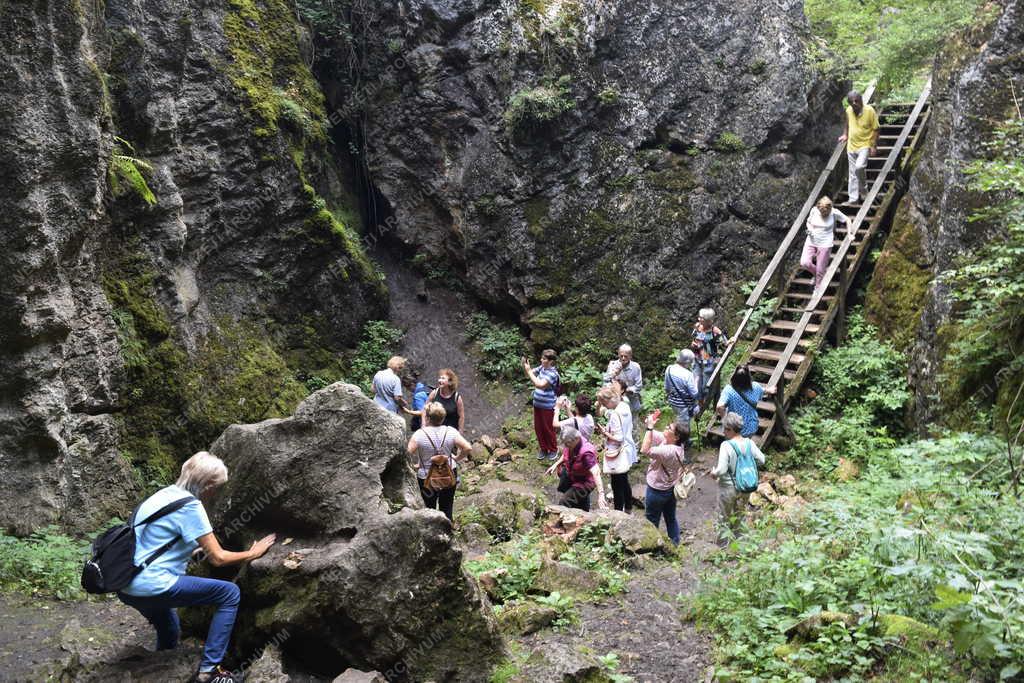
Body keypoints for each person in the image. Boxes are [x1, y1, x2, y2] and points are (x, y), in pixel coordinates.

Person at [117, 452, 277, 683]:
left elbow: (151, 540)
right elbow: (218, 558)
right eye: (218, 487)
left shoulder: (162, 496)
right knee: (229, 593)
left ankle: (161, 667)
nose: (217, 493)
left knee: (169, 627)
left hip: (126, 586)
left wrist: (188, 550)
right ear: (208, 485)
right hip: (152, 586)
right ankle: (209, 673)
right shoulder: (191, 506)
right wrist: (252, 553)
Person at [407, 402, 471, 521]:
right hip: (449, 473)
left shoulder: (419, 435)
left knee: (428, 510)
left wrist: (413, 466)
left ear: (427, 417)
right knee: (447, 508)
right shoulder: (450, 431)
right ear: (443, 417)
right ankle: (448, 532)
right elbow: (467, 448)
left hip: (426, 477)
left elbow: (406, 453)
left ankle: (431, 535)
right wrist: (456, 458)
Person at [709, 412, 766, 544]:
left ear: (730, 429)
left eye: (725, 429)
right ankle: (740, 547)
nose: (723, 432)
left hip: (728, 488)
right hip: (745, 486)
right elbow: (762, 460)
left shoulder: (726, 445)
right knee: (740, 516)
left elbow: (722, 470)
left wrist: (714, 473)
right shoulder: (749, 442)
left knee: (723, 518)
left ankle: (722, 548)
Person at [639, 410, 688, 545]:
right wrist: (650, 425)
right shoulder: (676, 445)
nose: (666, 427)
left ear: (676, 436)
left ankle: (651, 546)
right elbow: (655, 435)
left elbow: (644, 450)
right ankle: (675, 544)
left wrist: (649, 428)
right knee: (670, 518)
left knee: (651, 520)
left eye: (669, 428)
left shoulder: (668, 451)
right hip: (670, 488)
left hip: (656, 491)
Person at [545, 424, 605, 511]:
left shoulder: (586, 453)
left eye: (567, 443)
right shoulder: (571, 444)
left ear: (576, 439)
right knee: (580, 501)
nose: (566, 445)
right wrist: (555, 464)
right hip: (573, 475)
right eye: (565, 443)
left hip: (585, 482)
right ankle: (584, 513)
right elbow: (566, 453)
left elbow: (596, 472)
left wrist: (601, 494)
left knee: (564, 502)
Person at [595, 386, 635, 513]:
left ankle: (618, 511)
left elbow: (618, 437)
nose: (605, 406)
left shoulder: (614, 415)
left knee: (616, 484)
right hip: (627, 447)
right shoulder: (624, 406)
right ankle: (628, 507)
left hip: (617, 451)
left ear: (610, 400)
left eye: (605, 403)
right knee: (624, 480)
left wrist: (604, 433)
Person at [838, 90, 879, 207]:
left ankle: (864, 190)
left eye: (856, 100)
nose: (854, 103)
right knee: (852, 174)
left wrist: (873, 146)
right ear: (849, 103)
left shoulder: (869, 110)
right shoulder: (849, 111)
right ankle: (853, 199)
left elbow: (876, 129)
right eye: (852, 101)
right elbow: (847, 123)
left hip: (865, 144)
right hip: (851, 145)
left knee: (859, 167)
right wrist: (845, 134)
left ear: (861, 100)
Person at [802, 196, 849, 291]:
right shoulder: (814, 210)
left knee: (820, 269)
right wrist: (810, 229)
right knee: (805, 263)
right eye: (821, 212)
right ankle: (818, 274)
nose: (823, 214)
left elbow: (847, 220)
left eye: (825, 212)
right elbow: (808, 222)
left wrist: (850, 234)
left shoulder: (834, 212)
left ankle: (817, 288)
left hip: (825, 244)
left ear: (829, 209)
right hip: (811, 240)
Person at [715, 365, 775, 438]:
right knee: (746, 445)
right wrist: (770, 390)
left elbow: (720, 406)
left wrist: (725, 420)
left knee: (733, 447)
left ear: (734, 377)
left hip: (734, 429)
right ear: (748, 377)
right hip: (750, 428)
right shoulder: (755, 387)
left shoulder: (728, 390)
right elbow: (763, 390)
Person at [522, 350, 560, 461]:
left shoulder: (553, 374)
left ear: (551, 361)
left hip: (548, 406)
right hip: (537, 404)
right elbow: (529, 374)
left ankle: (553, 449)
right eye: (542, 358)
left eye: (544, 359)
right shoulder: (542, 368)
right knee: (539, 428)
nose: (541, 360)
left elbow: (540, 385)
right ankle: (543, 448)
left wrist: (529, 371)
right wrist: (525, 366)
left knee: (548, 428)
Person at [691, 309, 730, 400]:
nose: (699, 319)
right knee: (696, 383)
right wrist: (693, 344)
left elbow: (725, 343)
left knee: (706, 385)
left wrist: (731, 341)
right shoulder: (697, 327)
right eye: (699, 317)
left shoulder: (714, 331)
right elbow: (693, 340)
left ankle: (706, 400)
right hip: (697, 359)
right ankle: (699, 401)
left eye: (701, 318)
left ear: (709, 320)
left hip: (709, 361)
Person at [603, 344, 643, 416]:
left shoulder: (636, 367)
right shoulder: (612, 365)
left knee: (631, 425)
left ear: (630, 356)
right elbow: (605, 382)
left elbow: (639, 386)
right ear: (618, 354)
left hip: (632, 402)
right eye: (621, 356)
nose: (623, 358)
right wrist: (613, 374)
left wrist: (626, 390)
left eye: (626, 356)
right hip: (615, 402)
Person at [665, 349, 700, 428]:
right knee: (684, 428)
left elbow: (667, 388)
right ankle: (683, 439)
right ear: (687, 362)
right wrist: (696, 381)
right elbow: (695, 394)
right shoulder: (688, 374)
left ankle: (677, 434)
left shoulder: (669, 369)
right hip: (684, 406)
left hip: (674, 403)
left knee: (679, 421)